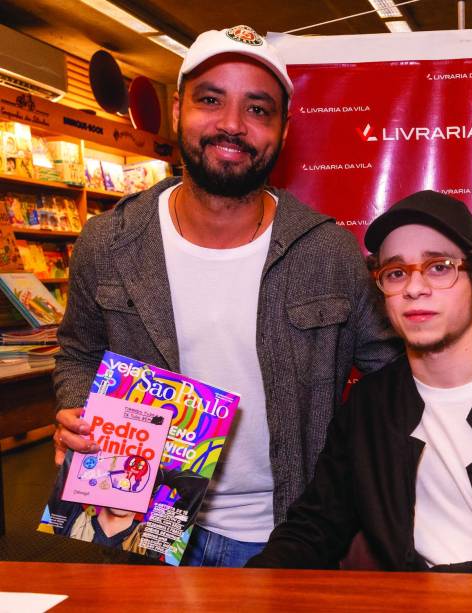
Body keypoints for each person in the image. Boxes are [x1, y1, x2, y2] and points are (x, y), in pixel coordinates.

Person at [51, 25, 399, 567]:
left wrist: (364, 496)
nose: (232, 124)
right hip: (143, 526)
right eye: (210, 100)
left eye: (258, 109)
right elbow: (79, 351)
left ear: (283, 130)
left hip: (285, 535)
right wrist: (76, 409)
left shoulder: (326, 251)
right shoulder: (111, 241)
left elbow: (391, 379)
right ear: (177, 110)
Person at [246, 190, 472, 576]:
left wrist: (439, 589)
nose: (414, 288)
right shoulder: (370, 406)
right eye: (396, 272)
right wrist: (250, 586)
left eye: (439, 267)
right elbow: (314, 528)